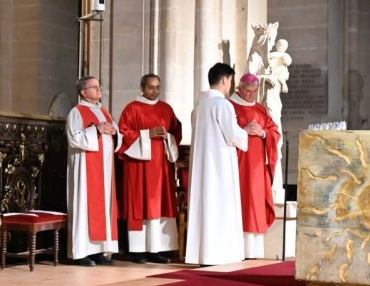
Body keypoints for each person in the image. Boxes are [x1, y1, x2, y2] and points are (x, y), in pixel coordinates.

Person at [185, 63, 254, 266]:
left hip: (203, 166)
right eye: (231, 81)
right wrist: (246, 131)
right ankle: (219, 254)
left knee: (207, 207)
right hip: (220, 165)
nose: (230, 85)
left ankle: (204, 254)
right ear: (225, 80)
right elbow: (233, 135)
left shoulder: (198, 108)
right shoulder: (222, 105)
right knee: (221, 206)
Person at [116, 74, 182, 263]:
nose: (154, 91)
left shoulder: (166, 109)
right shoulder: (132, 109)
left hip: (161, 167)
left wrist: (167, 136)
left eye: (157, 87)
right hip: (139, 167)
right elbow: (123, 134)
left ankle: (157, 249)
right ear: (142, 88)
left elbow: (176, 130)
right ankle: (138, 250)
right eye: (151, 87)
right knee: (141, 203)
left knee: (159, 204)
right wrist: (147, 134)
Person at [66, 77, 120, 265]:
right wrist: (96, 130)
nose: (99, 90)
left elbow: (116, 134)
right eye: (94, 87)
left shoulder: (104, 111)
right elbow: (75, 138)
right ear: (83, 92)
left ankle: (99, 251)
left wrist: (115, 133)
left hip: (104, 169)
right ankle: (81, 253)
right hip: (85, 169)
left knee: (103, 208)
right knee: (85, 207)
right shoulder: (76, 112)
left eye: (99, 87)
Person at [230, 74, 281, 259]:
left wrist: (264, 133)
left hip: (258, 166)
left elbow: (275, 131)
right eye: (247, 91)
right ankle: (239, 249)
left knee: (256, 202)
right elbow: (226, 132)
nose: (251, 95)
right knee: (243, 201)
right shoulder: (230, 107)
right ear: (239, 89)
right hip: (239, 164)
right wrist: (244, 131)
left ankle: (254, 251)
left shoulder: (261, 109)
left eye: (254, 91)